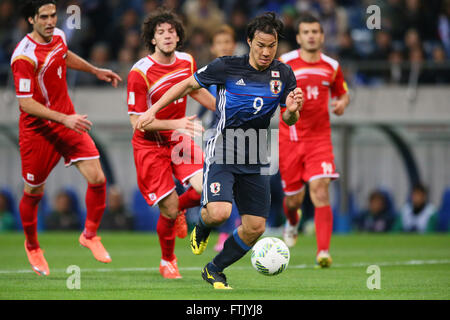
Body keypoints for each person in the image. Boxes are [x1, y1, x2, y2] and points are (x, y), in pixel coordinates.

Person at [136, 12, 303, 289]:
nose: (265, 51)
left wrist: (294, 111)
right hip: (223, 148)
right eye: (260, 45)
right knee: (219, 213)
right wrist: (152, 110)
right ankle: (202, 226)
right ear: (249, 41)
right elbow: (186, 85)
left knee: (255, 228)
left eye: (271, 46)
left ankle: (214, 269)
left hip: (256, 153)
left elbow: (288, 118)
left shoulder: (283, 73)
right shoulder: (226, 66)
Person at [11, 0, 122, 276]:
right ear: (31, 20)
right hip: (38, 130)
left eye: (53, 15)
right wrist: (64, 118)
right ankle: (33, 246)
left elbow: (64, 55)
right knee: (34, 191)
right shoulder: (23, 57)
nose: (51, 21)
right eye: (44, 17)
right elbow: (25, 104)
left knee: (97, 178)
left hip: (67, 122)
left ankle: (90, 235)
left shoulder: (58, 36)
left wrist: (95, 70)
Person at [127, 9, 215, 279]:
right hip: (149, 145)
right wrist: (174, 124)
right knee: (169, 208)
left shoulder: (187, 61)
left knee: (208, 190)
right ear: (152, 39)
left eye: (171, 31)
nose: (167, 36)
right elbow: (137, 122)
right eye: (161, 32)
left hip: (179, 139)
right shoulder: (139, 72)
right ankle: (167, 260)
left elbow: (194, 89)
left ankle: (179, 209)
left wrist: (223, 111)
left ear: (178, 37)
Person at [278, 13, 349, 268]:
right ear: (298, 37)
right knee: (294, 200)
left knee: (320, 190)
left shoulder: (332, 66)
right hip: (291, 139)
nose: (311, 36)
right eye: (306, 32)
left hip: (320, 140)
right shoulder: (284, 64)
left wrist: (341, 102)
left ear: (322, 36)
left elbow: (342, 93)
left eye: (315, 32)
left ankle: (323, 252)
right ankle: (292, 221)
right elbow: (279, 107)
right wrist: (290, 110)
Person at [195, 25, 241, 252]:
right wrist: (195, 120)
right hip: (218, 137)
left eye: (228, 42)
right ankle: (222, 232)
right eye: (219, 43)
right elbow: (204, 102)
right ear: (213, 48)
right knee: (221, 189)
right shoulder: (210, 74)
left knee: (241, 188)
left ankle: (232, 231)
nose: (224, 46)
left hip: (246, 137)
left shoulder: (244, 71)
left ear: (233, 45)